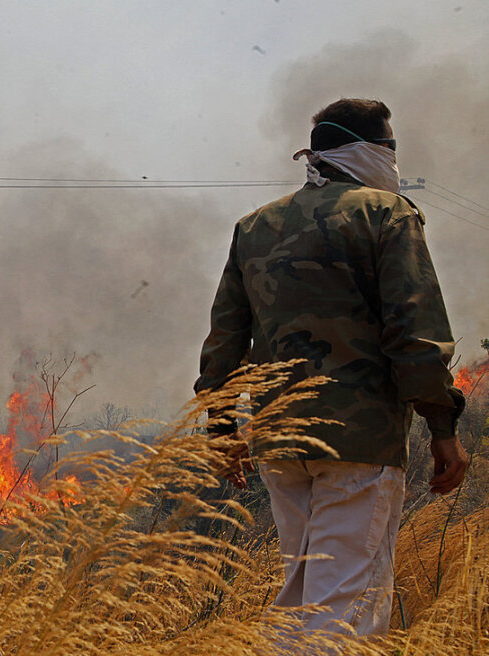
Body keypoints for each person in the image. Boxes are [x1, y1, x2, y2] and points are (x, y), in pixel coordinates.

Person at [194, 98, 468, 636]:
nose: (393, 160)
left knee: (303, 600)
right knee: (345, 612)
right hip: (358, 442)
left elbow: (224, 342)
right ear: (368, 150)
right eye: (389, 148)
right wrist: (442, 428)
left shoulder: (255, 227)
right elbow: (416, 336)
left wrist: (221, 427)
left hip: (279, 443)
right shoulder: (387, 214)